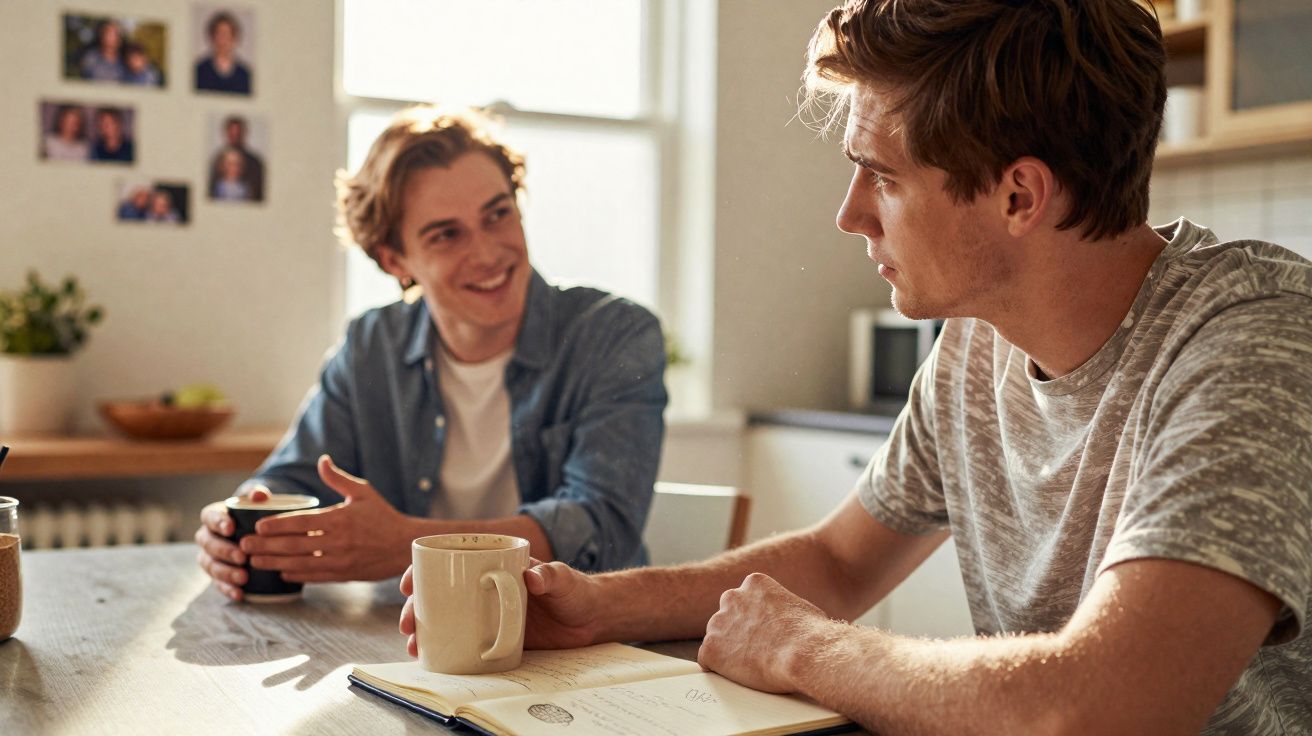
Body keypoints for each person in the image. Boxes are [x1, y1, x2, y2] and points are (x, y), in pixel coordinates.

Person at [400, 1, 1312, 733]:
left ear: (1019, 195)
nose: (849, 213)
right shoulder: (975, 345)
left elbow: (1107, 706)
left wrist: (808, 651)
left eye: (880, 174)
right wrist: (599, 605)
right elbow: (838, 560)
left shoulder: (1253, 341)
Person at [194, 106, 667, 601]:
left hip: (581, 640)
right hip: (407, 641)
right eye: (447, 234)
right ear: (395, 259)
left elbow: (601, 525)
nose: (487, 253)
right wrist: (237, 519)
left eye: (498, 214)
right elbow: (294, 478)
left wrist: (407, 545)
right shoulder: (371, 346)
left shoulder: (615, 336)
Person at [207, 116, 264, 201]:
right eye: (232, 134)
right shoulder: (216, 159)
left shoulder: (255, 162)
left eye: (238, 133)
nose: (235, 137)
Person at [194, 11, 251, 95]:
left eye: (226, 35)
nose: (223, 41)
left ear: (234, 38)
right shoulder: (200, 70)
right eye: (219, 34)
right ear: (212, 37)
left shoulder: (244, 74)